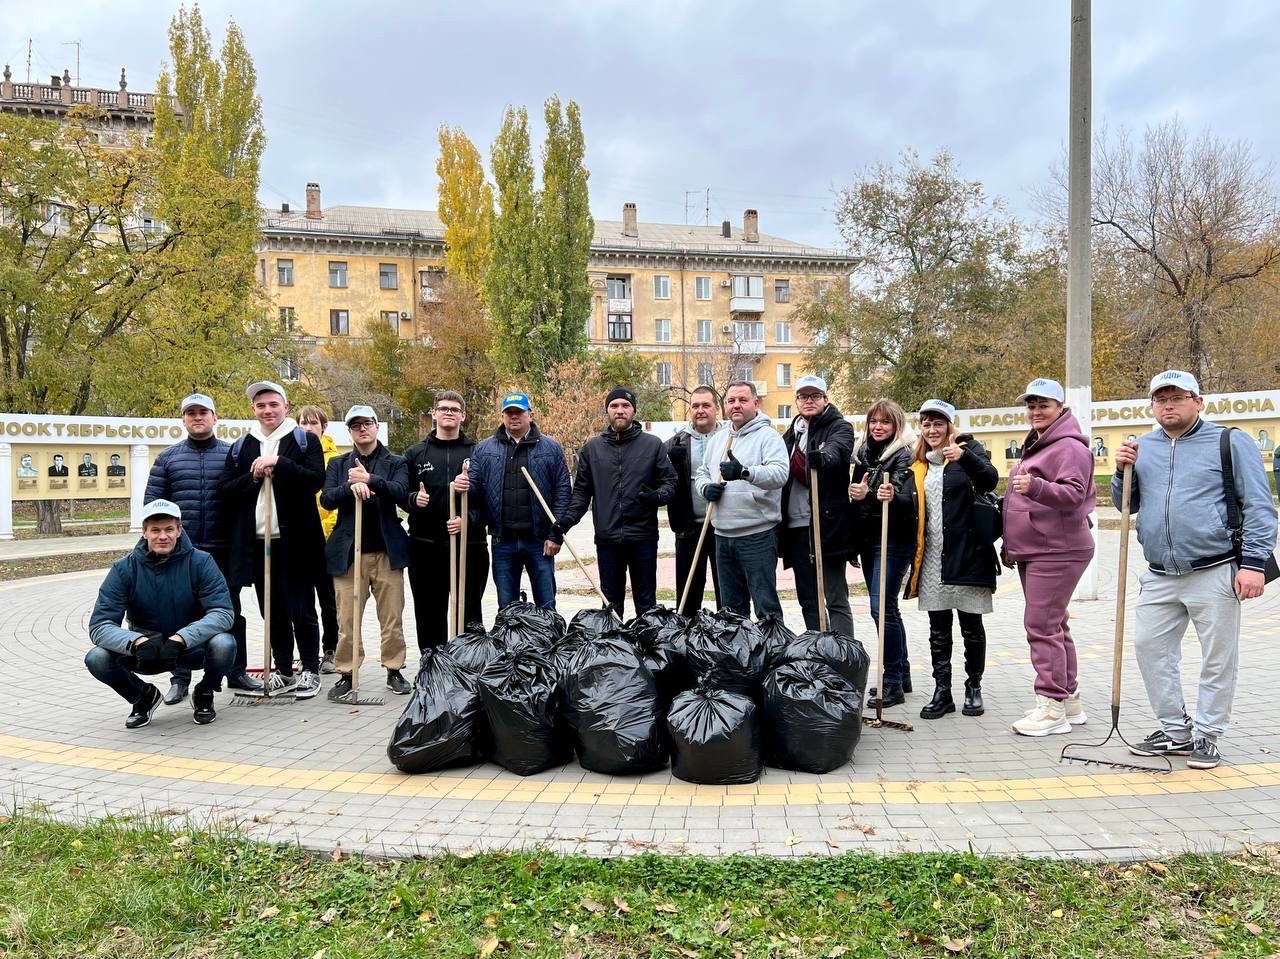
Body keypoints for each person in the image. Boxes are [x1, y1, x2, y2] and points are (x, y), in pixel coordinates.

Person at [1118, 370, 1278, 770]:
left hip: (1215, 569)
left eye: (1177, 397)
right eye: (1160, 399)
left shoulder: (1230, 441)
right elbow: (1130, 505)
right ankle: (1175, 731)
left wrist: (1254, 565)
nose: (1168, 405)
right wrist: (1124, 472)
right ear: (1152, 406)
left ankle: (1208, 735)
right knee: (1149, 648)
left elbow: (1259, 505)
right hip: (1159, 573)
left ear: (1198, 401)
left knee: (1217, 658)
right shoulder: (1143, 447)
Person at [146, 392, 261, 702]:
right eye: (191, 413)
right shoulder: (168, 458)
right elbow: (152, 507)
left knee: (231, 611)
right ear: (183, 419)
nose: (198, 417)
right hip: (183, 552)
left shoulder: (232, 455)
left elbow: (245, 500)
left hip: (224, 550)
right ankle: (180, 678)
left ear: (215, 417)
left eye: (203, 412)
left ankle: (236, 672)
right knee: (180, 615)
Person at [84, 499, 235, 729]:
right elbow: (100, 625)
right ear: (144, 532)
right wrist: (135, 642)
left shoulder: (201, 562)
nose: (162, 536)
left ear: (179, 530)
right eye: (155, 530)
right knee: (96, 657)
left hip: (190, 648)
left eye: (168, 529)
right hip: (146, 651)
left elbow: (222, 612)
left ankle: (204, 692)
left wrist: (183, 638)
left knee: (225, 643)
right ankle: (142, 697)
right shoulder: (124, 569)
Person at [219, 381, 326, 699]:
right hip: (258, 542)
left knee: (301, 607)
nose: (267, 410)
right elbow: (225, 489)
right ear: (253, 409)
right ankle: (283, 668)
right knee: (272, 609)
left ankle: (309, 668)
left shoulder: (303, 440)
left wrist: (280, 464)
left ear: (286, 406)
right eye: (260, 405)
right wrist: (252, 477)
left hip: (296, 541)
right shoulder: (242, 446)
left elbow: (315, 479)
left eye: (273, 404)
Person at [1002, 377, 1096, 737]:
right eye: (1031, 405)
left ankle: (1051, 707)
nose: (1036, 411)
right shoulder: (1041, 444)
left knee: (1041, 626)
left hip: (1057, 550)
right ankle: (1068, 700)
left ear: (1061, 408)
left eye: (1043, 404)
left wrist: (1036, 486)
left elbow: (1074, 494)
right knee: (1055, 623)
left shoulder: (1069, 447)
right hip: (1040, 549)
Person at [904, 400, 999, 719]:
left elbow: (989, 480)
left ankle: (974, 687)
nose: (932, 430)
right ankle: (942, 691)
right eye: (927, 424)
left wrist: (965, 455)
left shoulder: (968, 449)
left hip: (969, 552)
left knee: (972, 625)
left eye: (938, 424)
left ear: (950, 426)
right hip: (932, 556)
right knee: (938, 628)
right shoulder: (919, 462)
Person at [557, 386, 676, 619]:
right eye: (614, 406)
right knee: (610, 604)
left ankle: (647, 649)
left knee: (646, 603)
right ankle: (614, 650)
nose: (619, 410)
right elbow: (581, 492)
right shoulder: (592, 448)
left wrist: (657, 496)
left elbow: (670, 483)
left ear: (633, 410)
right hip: (608, 538)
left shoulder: (652, 445)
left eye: (625, 406)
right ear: (607, 411)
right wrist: (565, 522)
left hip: (643, 537)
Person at [321, 406, 412, 700]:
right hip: (350, 554)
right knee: (347, 619)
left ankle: (394, 669)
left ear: (376, 427)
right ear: (349, 431)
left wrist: (371, 481)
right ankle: (347, 672)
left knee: (391, 618)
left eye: (367, 423)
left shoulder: (396, 462)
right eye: (356, 425)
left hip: (386, 551)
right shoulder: (337, 464)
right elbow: (327, 499)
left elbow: (401, 492)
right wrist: (352, 486)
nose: (362, 429)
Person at [456, 392, 571, 611]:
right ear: (502, 416)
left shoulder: (550, 448)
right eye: (509, 413)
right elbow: (475, 493)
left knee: (546, 606)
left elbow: (563, 492)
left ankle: (548, 644)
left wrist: (555, 534)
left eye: (519, 412)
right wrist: (464, 486)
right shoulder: (485, 449)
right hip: (503, 541)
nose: (514, 417)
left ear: (531, 414)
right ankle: (510, 646)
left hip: (540, 542)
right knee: (506, 609)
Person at [402, 391, 490, 649]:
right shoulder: (415, 453)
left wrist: (468, 520)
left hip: (469, 548)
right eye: (443, 408)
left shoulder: (479, 452)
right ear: (434, 414)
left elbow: (492, 502)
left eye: (454, 409)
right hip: (425, 547)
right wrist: (412, 500)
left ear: (463, 415)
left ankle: (469, 669)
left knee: (469, 611)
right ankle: (433, 670)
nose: (448, 412)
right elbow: (400, 493)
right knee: (429, 613)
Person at [694, 381, 788, 620]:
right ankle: (738, 656)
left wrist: (745, 472)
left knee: (766, 606)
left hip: (757, 535)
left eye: (742, 400)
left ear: (755, 403)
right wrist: (706, 488)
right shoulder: (719, 439)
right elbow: (703, 473)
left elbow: (779, 474)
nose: (736, 405)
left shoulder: (768, 437)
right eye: (731, 401)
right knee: (731, 611)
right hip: (723, 536)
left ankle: (771, 655)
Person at [849, 399, 917, 708]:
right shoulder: (863, 453)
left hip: (894, 540)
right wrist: (858, 497)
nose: (878, 427)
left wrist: (875, 495)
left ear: (897, 425)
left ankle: (891, 684)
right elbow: (858, 496)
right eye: (874, 421)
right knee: (887, 608)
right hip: (867, 539)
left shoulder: (906, 455)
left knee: (881, 609)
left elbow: (906, 502)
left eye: (885, 422)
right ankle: (901, 672)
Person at [780, 375, 855, 639]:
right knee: (809, 599)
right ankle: (818, 653)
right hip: (796, 528)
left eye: (815, 396)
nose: (809, 401)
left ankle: (844, 654)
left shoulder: (839, 427)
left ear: (825, 399)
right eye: (803, 396)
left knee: (834, 596)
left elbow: (839, 451)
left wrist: (823, 457)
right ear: (797, 401)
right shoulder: (790, 435)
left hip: (826, 526)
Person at [664, 386, 725, 616]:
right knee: (688, 595)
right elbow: (664, 482)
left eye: (706, 405)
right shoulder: (674, 444)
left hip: (723, 528)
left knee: (727, 593)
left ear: (717, 409)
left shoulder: (730, 438)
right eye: (695, 406)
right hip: (689, 529)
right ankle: (688, 644)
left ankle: (729, 639)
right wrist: (673, 464)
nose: (700, 410)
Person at [297, 405, 341, 672]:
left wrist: (330, 530)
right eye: (304, 423)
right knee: (302, 600)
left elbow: (333, 500)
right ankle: (307, 651)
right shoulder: (294, 453)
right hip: (301, 538)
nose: (308, 427)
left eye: (313, 423)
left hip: (327, 537)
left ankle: (331, 648)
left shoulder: (334, 458)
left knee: (329, 599)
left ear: (323, 426)